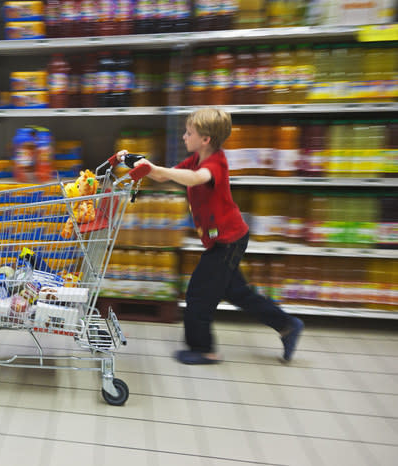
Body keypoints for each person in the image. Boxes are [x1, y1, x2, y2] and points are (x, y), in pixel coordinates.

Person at [117, 107, 303, 364]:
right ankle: (287, 325)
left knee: (198, 293)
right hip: (225, 238)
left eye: (189, 132)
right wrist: (135, 162)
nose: (184, 136)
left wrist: (157, 169)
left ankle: (204, 350)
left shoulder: (214, 162)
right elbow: (162, 174)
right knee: (238, 292)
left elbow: (195, 179)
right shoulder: (195, 159)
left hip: (228, 242)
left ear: (205, 139)